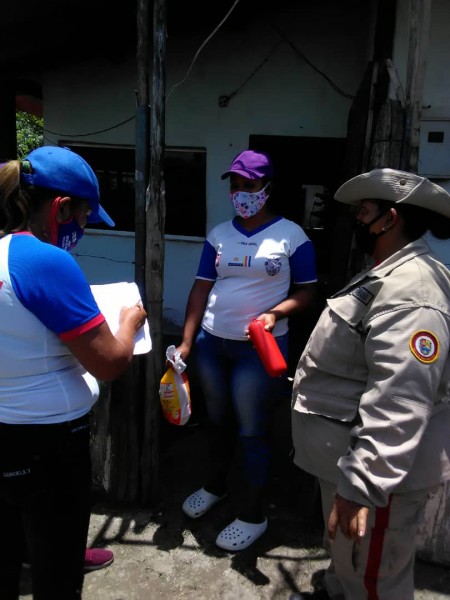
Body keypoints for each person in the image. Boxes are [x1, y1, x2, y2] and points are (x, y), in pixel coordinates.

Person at [291, 168, 450, 599]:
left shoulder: (412, 291)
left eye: (364, 211)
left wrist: (361, 486)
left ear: (390, 218)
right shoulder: (390, 273)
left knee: (376, 578)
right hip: (354, 463)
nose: (356, 220)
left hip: (381, 484)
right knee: (350, 561)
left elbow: (400, 399)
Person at [0, 146, 147, 600]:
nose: (82, 230)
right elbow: (110, 360)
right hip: (49, 444)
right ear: (61, 207)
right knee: (58, 571)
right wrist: (128, 322)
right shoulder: (45, 261)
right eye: (83, 218)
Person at [176, 149, 318, 551]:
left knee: (253, 429)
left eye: (248, 185)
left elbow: (308, 292)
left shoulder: (292, 236)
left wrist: (275, 313)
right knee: (216, 421)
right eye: (235, 185)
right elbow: (201, 287)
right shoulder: (219, 234)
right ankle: (216, 486)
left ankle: (254, 514)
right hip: (210, 343)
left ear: (267, 188)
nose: (240, 193)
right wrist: (187, 340)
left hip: (258, 349)